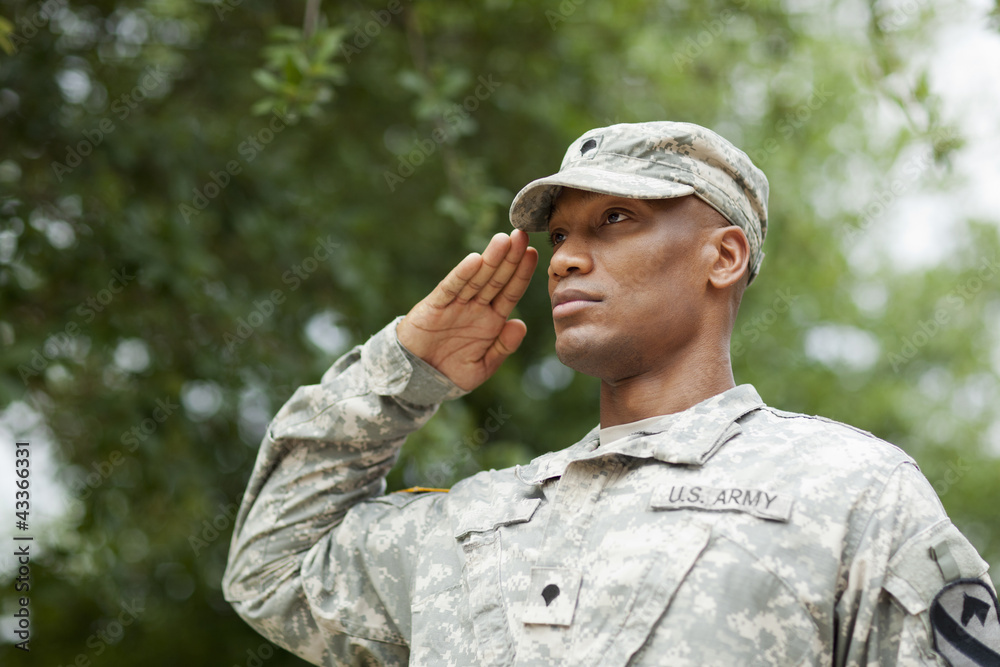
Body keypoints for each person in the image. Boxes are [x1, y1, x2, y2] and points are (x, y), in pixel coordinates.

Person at [223, 121, 999, 666]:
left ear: (723, 256)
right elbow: (271, 569)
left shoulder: (850, 492)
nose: (565, 261)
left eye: (616, 219)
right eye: (562, 236)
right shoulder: (473, 521)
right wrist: (401, 374)